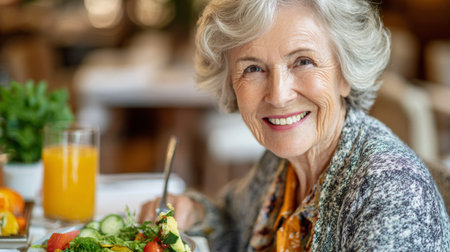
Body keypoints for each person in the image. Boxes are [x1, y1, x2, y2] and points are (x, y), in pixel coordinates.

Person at [140, 0, 450, 251]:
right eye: (253, 68)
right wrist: (194, 212)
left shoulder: (392, 190)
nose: (278, 96)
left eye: (303, 61)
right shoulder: (281, 162)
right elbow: (234, 224)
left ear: (344, 74)